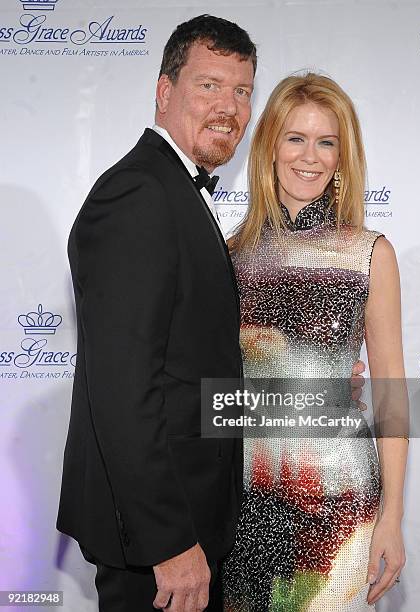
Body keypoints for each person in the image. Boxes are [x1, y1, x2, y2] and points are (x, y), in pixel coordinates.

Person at [57, 15, 256, 612]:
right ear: (165, 91)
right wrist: (170, 543)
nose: (228, 106)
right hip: (160, 543)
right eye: (209, 85)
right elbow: (122, 389)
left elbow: (185, 361)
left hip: (191, 522)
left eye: (242, 90)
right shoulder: (140, 194)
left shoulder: (171, 190)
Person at [222, 74, 408, 611]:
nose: (311, 156)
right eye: (295, 138)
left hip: (342, 507)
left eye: (326, 141)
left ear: (343, 156)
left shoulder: (370, 253)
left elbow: (392, 395)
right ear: (269, 147)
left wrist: (391, 516)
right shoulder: (230, 255)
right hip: (247, 501)